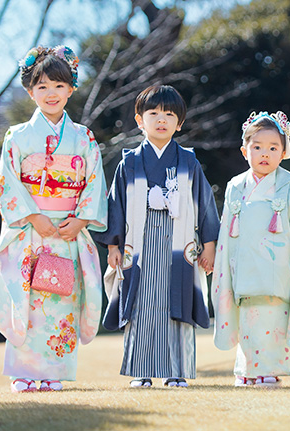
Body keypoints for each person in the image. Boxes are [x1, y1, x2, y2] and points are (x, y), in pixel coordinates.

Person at [0, 46, 108, 393]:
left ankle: (54, 374)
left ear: (71, 89)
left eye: (58, 86)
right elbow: (7, 182)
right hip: (31, 231)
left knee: (61, 301)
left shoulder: (84, 137)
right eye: (42, 87)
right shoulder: (18, 136)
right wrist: (34, 216)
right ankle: (23, 373)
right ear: (29, 91)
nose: (50, 93)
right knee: (27, 301)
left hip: (67, 231)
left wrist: (81, 221)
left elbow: (95, 182)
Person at [94, 85, 220, 388]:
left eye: (169, 114)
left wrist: (211, 245)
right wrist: (113, 244)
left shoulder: (189, 161)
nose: (161, 119)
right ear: (140, 120)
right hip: (139, 243)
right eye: (153, 113)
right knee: (141, 302)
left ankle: (177, 371)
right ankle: (141, 371)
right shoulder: (130, 163)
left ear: (179, 123)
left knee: (178, 302)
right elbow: (116, 206)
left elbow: (205, 205)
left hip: (180, 244)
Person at [211, 111, 290, 387]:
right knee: (247, 317)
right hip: (244, 263)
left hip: (279, 264)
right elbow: (226, 228)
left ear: (283, 152)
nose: (264, 154)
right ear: (245, 151)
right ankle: (246, 371)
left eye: (272, 148)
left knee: (276, 316)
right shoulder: (235, 186)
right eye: (257, 147)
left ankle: (271, 370)